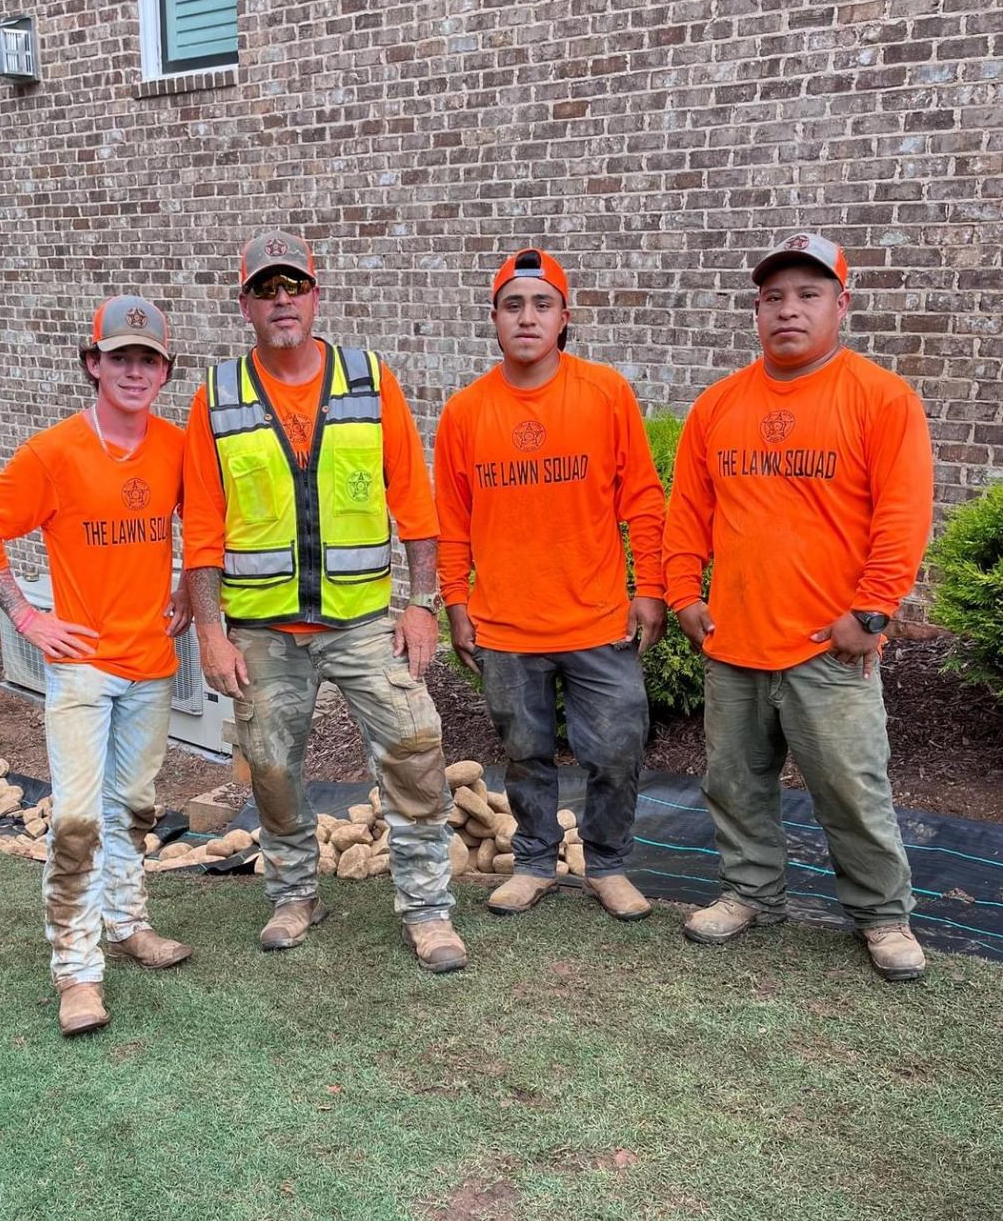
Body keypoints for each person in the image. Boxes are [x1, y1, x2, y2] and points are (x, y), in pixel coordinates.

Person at [182, 230, 465, 973]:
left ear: (316, 294)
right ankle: (295, 891)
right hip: (265, 629)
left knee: (413, 748)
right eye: (266, 290)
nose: (283, 301)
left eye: (294, 287)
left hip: (366, 617)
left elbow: (415, 499)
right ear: (245, 304)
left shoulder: (370, 380)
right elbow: (203, 527)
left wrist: (423, 602)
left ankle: (429, 909)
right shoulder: (216, 397)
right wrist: (210, 631)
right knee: (272, 767)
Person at [663, 233, 935, 981]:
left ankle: (882, 914)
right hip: (736, 643)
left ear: (840, 304)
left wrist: (872, 612)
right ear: (757, 310)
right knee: (734, 781)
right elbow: (688, 512)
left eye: (808, 294)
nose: (789, 310)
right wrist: (684, 591)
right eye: (774, 297)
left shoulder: (880, 398)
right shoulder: (719, 405)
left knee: (851, 787)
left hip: (830, 646)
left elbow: (903, 515)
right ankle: (751, 892)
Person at [0, 295, 193, 1037]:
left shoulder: (177, 446)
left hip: (152, 662)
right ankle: (77, 973)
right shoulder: (53, 453)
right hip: (84, 668)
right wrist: (26, 616)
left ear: (164, 372)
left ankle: (127, 923)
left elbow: (208, 526)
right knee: (80, 819)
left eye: (147, 358)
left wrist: (187, 581)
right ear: (93, 365)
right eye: (119, 356)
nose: (133, 370)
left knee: (133, 808)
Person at [435, 248, 667, 921]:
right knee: (524, 752)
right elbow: (451, 521)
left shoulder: (604, 394)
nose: (527, 317)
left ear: (566, 317)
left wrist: (647, 586)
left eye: (542, 304)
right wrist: (456, 603)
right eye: (513, 304)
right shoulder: (466, 412)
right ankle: (535, 860)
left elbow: (643, 500)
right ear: (494, 319)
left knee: (617, 747)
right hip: (505, 624)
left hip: (596, 620)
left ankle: (609, 862)